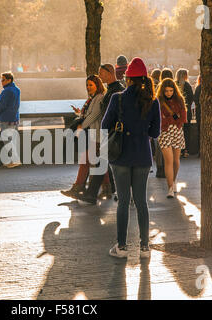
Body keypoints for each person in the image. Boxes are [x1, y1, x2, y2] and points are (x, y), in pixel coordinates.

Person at [102, 57, 161, 259]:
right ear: (145, 78)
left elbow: (104, 125)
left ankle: (121, 247)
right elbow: (155, 132)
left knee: (123, 202)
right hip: (143, 156)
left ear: (127, 79)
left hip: (120, 157)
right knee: (141, 202)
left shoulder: (117, 98)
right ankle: (145, 248)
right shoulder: (153, 101)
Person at [76, 64, 125, 204]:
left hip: (111, 133)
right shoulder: (112, 90)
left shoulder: (117, 90)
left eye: (101, 73)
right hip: (107, 132)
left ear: (110, 73)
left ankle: (93, 194)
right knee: (101, 162)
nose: (100, 76)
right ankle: (106, 190)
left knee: (101, 162)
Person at [61, 75, 105, 199]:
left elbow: (94, 115)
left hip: (95, 134)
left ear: (97, 84)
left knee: (86, 160)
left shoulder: (99, 98)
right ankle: (106, 188)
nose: (88, 87)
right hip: (92, 134)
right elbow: (88, 114)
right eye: (87, 85)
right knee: (97, 162)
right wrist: (79, 113)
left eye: (91, 85)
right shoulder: (92, 98)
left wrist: (81, 126)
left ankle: (78, 187)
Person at [157, 78, 187, 198]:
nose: (169, 93)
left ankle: (174, 181)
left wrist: (167, 118)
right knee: (168, 160)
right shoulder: (158, 102)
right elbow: (160, 119)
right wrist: (172, 118)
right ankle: (170, 188)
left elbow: (183, 118)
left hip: (177, 131)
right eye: (166, 91)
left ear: (174, 90)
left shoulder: (179, 100)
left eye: (171, 90)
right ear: (162, 91)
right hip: (163, 132)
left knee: (176, 160)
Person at [0, 72, 21, 168]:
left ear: (9, 80)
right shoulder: (17, 89)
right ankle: (12, 160)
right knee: (12, 140)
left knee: (7, 140)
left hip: (6, 118)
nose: (1, 82)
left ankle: (15, 160)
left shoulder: (6, 91)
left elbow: (1, 105)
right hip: (15, 118)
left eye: (3, 80)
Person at [175, 68, 194, 158]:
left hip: (175, 113)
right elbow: (191, 98)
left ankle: (177, 150)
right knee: (186, 131)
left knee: (177, 131)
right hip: (186, 113)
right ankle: (186, 150)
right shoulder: (187, 85)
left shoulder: (174, 84)